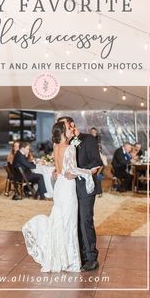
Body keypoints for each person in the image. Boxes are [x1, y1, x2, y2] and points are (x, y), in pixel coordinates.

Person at [22, 121, 99, 272]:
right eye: (67, 129)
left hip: (62, 188)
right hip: (68, 187)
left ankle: (72, 257)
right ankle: (70, 259)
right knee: (69, 223)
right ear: (64, 132)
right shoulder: (68, 147)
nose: (70, 130)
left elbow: (63, 168)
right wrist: (89, 172)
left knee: (65, 221)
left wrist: (59, 172)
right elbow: (71, 172)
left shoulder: (58, 146)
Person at [58, 116, 103, 272]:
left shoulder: (88, 139)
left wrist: (79, 172)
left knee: (85, 221)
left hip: (85, 188)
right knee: (74, 222)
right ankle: (80, 256)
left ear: (72, 125)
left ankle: (92, 258)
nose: (63, 129)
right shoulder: (66, 143)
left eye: (64, 125)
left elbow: (96, 162)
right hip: (69, 189)